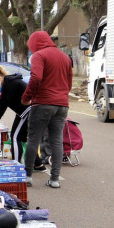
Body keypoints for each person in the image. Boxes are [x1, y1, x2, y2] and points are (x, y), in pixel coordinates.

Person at [22, 31, 73, 188]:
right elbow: (69, 82)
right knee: (56, 141)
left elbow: (36, 77)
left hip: (43, 103)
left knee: (33, 139)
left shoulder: (39, 55)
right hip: (62, 104)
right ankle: (55, 179)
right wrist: (62, 95)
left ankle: (28, 176)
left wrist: (27, 96)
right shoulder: (65, 57)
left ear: (35, 44)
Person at [0, 65, 40, 169]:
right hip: (25, 111)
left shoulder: (9, 84)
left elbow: (2, 105)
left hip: (26, 111)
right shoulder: (10, 81)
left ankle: (15, 165)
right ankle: (38, 164)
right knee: (23, 138)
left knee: (15, 137)